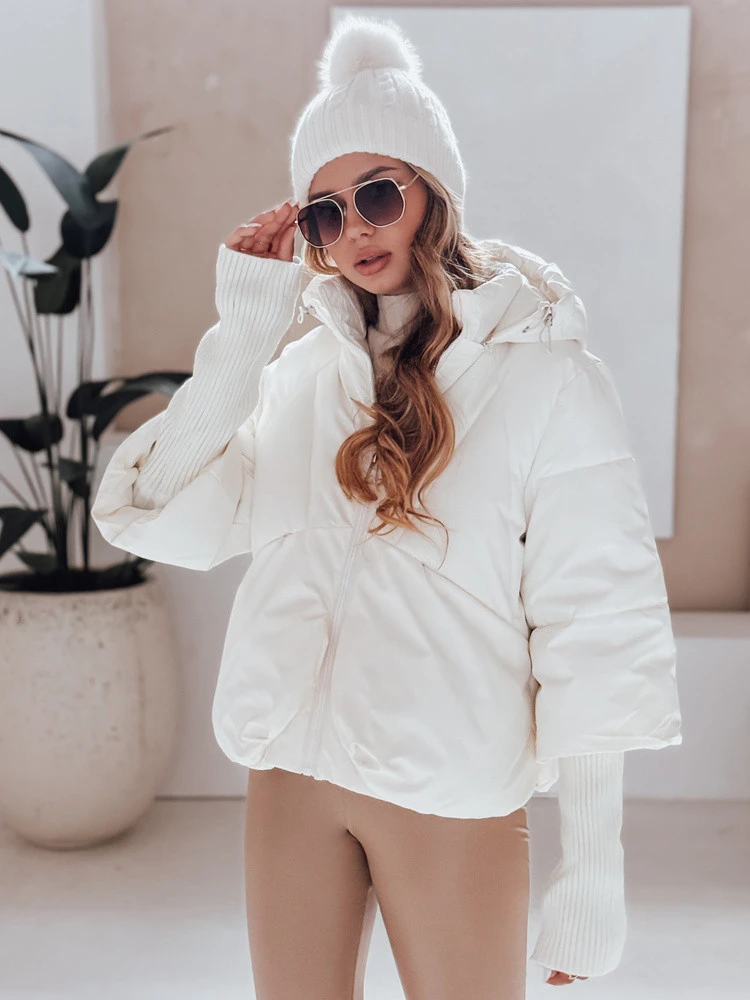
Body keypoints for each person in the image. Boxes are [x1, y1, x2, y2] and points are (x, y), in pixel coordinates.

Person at [92, 15, 683, 999]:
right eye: (325, 214)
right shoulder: (303, 377)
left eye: (377, 194)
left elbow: (597, 623)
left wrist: (593, 870)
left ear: (433, 196)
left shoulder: (545, 376)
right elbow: (154, 510)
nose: (355, 229)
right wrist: (243, 337)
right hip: (292, 777)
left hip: (446, 787)